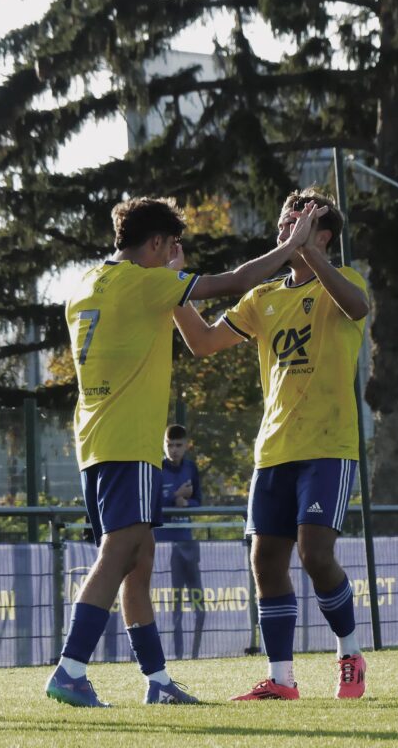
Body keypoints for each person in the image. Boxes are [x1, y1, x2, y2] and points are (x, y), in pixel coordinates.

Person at [46, 195, 325, 707]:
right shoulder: (143, 282)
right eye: (171, 245)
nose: (174, 254)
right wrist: (292, 245)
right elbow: (237, 280)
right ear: (155, 242)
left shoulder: (86, 283)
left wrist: (172, 276)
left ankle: (157, 682)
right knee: (120, 552)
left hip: (94, 438)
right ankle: (70, 669)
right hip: (129, 441)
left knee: (139, 560)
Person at [173, 186, 370, 700]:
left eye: (298, 221)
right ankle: (281, 679)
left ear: (323, 235)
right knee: (265, 561)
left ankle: (350, 654)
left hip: (328, 447)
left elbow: (357, 306)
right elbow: (203, 342)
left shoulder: (344, 282)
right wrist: (171, 290)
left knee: (315, 554)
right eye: (285, 220)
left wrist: (307, 252)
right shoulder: (263, 297)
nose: (286, 227)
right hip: (274, 450)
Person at [154, 424, 205, 659]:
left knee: (198, 605)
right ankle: (174, 655)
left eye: (178, 445)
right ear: (163, 445)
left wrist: (187, 504)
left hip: (187, 544)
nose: (173, 450)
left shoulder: (191, 468)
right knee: (173, 606)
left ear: (186, 446)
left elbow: (198, 501)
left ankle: (196, 655)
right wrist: (175, 498)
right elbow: (152, 504)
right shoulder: (156, 469)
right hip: (164, 547)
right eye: (169, 445)